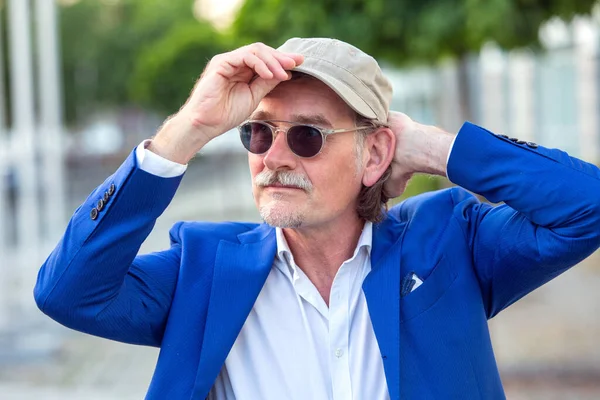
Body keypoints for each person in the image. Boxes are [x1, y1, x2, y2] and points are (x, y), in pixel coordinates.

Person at [34, 37, 600, 399]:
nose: (272, 156)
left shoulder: (451, 241)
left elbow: (585, 206)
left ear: (374, 154)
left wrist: (431, 148)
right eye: (258, 132)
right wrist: (190, 128)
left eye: (307, 136)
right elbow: (67, 292)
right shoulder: (203, 269)